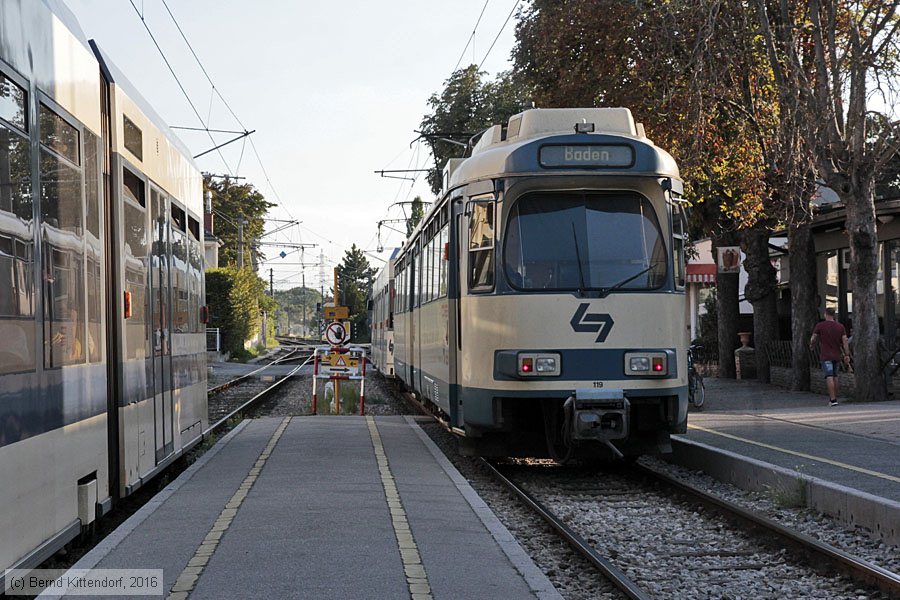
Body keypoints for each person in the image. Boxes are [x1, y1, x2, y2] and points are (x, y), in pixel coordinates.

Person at [810, 307, 851, 406]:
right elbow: (845, 341)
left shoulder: (820, 325)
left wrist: (811, 345)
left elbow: (813, 338)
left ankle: (832, 399)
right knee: (835, 376)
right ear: (834, 315)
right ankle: (835, 398)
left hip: (826, 355)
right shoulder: (840, 327)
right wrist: (847, 354)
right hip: (836, 355)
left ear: (825, 314)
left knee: (829, 376)